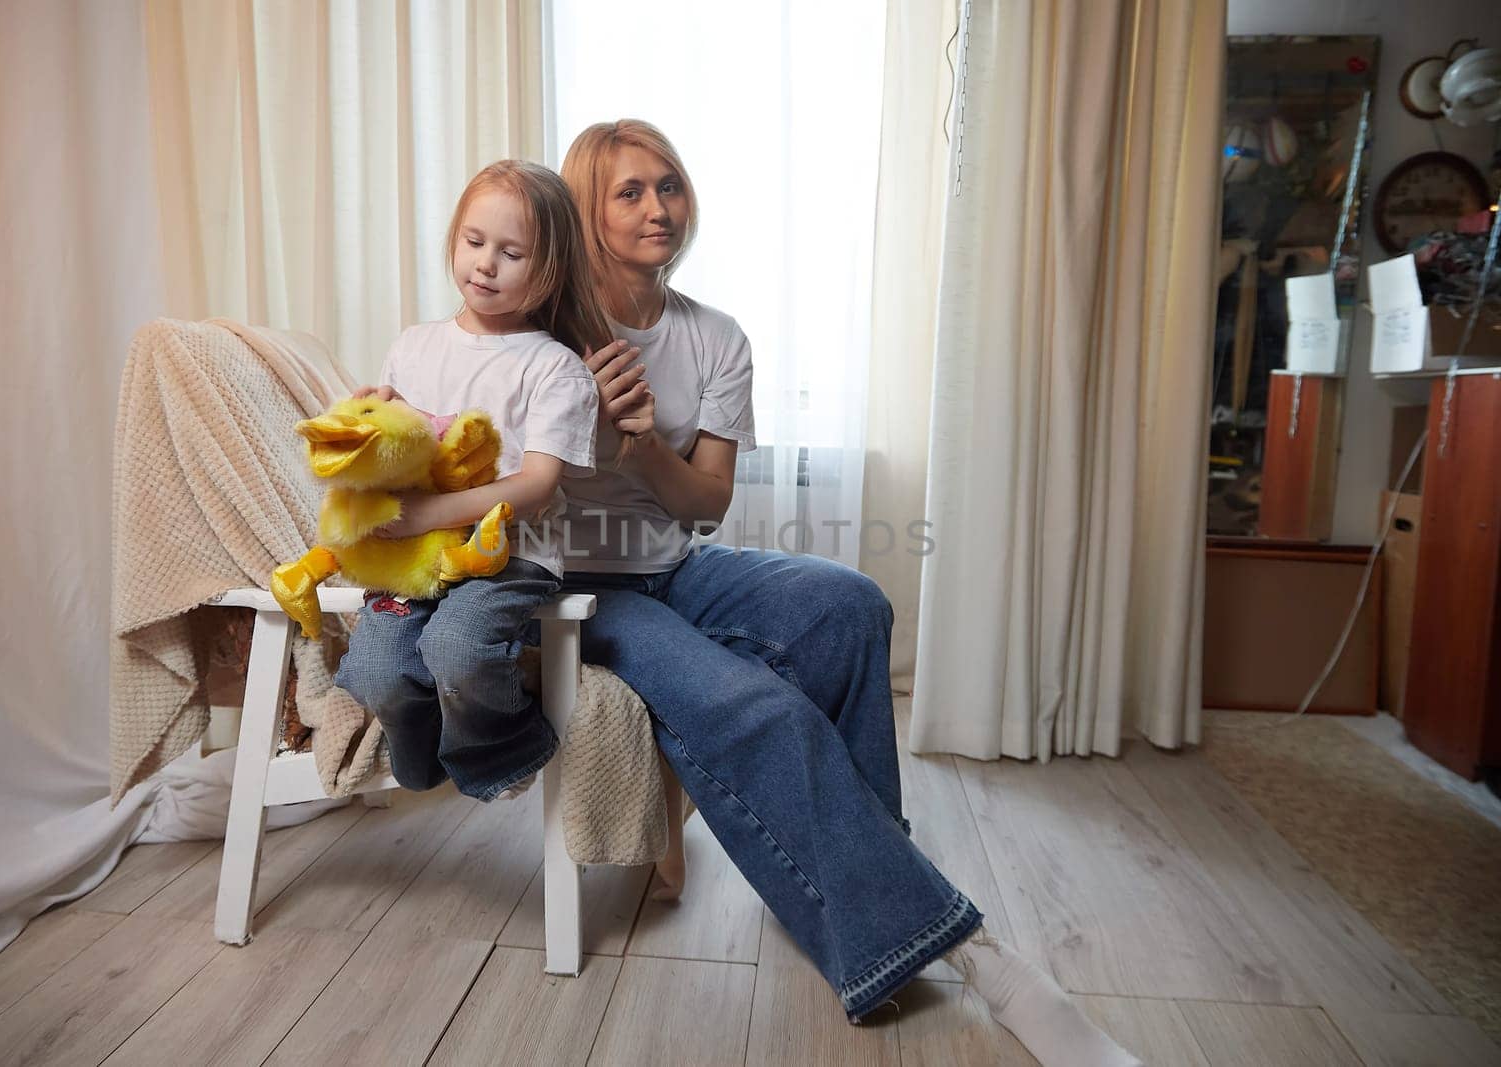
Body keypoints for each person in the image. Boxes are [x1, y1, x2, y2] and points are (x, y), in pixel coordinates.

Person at [556, 120, 1142, 1067]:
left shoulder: (716, 337)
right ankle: (977, 956)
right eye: (628, 192)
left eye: (668, 185)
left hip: (675, 566)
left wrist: (643, 442)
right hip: (581, 595)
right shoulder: (551, 331)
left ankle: (862, 883)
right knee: (753, 706)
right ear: (585, 207)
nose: (658, 207)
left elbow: (705, 505)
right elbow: (500, 464)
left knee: (850, 602)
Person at [334, 160, 605, 804]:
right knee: (376, 673)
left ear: (549, 272)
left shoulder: (555, 368)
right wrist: (369, 420)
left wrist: (429, 513)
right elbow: (397, 444)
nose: (486, 265)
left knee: (455, 646)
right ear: (454, 238)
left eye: (512, 253)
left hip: (509, 557)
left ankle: (504, 748)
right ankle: (424, 756)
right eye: (474, 242)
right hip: (416, 560)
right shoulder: (414, 345)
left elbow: (537, 485)